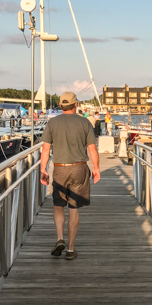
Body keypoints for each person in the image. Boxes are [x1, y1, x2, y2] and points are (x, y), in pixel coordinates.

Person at [40, 92, 100, 260]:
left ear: (60, 105)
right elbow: (92, 149)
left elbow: (45, 149)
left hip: (60, 169)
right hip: (80, 169)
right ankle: (71, 250)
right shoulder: (84, 122)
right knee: (73, 209)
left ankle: (60, 239)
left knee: (58, 205)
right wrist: (96, 168)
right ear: (76, 104)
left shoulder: (52, 123)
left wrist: (43, 170)